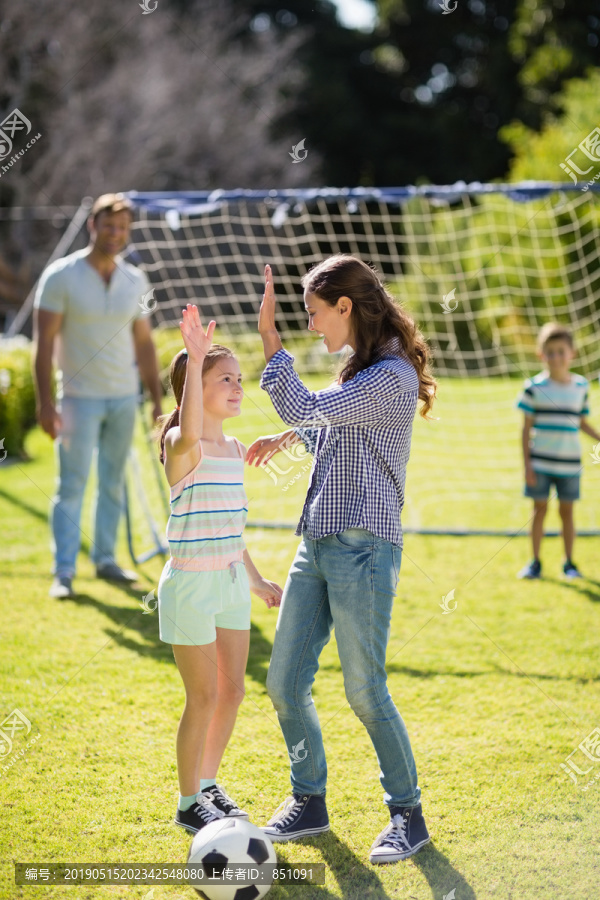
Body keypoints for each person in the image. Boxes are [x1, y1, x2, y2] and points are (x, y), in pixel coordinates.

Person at [246, 255, 437, 864]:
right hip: (318, 544)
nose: (311, 326)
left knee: (364, 689)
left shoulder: (392, 377)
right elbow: (324, 418)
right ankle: (310, 800)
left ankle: (408, 816)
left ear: (346, 308)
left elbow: (313, 409)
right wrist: (288, 436)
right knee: (283, 683)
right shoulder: (358, 375)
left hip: (365, 551)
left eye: (312, 314)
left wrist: (270, 340)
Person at [156, 304, 283, 834]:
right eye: (222, 378)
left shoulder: (233, 448)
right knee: (203, 696)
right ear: (193, 386)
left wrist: (255, 581)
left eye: (238, 378)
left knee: (232, 693)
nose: (237, 386)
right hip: (190, 585)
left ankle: (207, 785)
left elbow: (230, 529)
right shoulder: (180, 445)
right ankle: (188, 802)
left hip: (229, 580)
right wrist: (196, 354)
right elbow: (186, 429)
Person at [33, 193, 163, 599]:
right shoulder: (60, 276)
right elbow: (43, 344)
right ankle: (64, 572)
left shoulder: (135, 280)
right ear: (93, 226)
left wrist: (157, 398)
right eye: (109, 225)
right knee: (71, 485)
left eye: (123, 227)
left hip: (124, 398)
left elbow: (144, 343)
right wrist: (45, 403)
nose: (115, 233)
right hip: (77, 398)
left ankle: (106, 559)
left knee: (113, 483)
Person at [516, 322, 600, 580]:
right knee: (538, 511)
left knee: (567, 513)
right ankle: (535, 562)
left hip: (569, 464)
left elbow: (582, 422)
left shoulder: (581, 387)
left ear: (572, 352)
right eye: (550, 352)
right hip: (540, 464)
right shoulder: (533, 387)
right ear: (541, 354)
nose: (556, 357)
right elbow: (525, 430)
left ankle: (569, 563)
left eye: (561, 351)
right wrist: (528, 466)